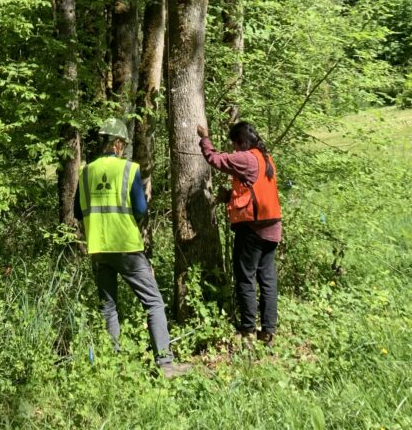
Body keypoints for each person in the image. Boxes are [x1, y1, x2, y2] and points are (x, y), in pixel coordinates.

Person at [74, 117, 191, 378]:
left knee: (108, 306)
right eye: (123, 144)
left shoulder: (85, 172)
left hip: (98, 248)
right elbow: (140, 208)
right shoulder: (128, 169)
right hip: (126, 246)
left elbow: (77, 210)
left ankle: (112, 364)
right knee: (153, 303)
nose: (123, 148)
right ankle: (166, 364)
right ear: (116, 143)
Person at [196, 120, 282, 344]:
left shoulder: (247, 157)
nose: (234, 149)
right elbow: (254, 190)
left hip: (253, 229)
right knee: (267, 278)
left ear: (242, 142)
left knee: (245, 278)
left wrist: (204, 138)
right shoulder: (265, 157)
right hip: (272, 226)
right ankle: (268, 331)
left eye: (235, 144)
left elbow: (215, 159)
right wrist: (230, 197)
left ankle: (247, 330)